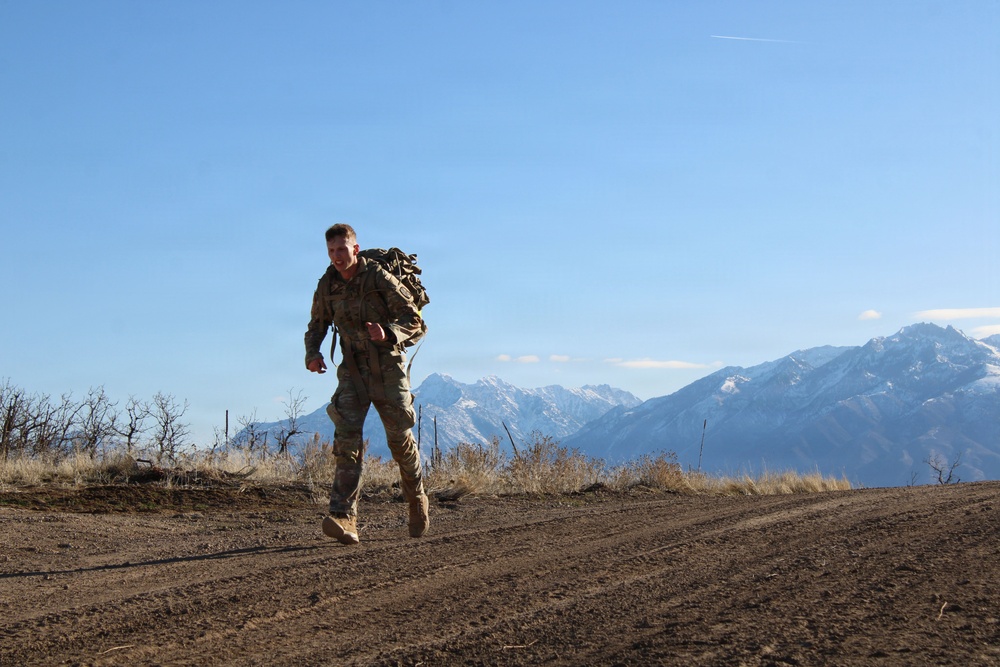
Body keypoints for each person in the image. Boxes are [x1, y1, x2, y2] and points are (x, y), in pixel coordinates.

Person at [304, 223, 429, 545]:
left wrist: (388, 332)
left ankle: (416, 499)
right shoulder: (327, 284)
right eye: (331, 251)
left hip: (387, 366)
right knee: (346, 441)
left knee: (399, 440)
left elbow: (413, 319)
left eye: (342, 250)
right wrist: (313, 353)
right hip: (352, 369)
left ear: (355, 249)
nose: (337, 257)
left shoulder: (378, 278)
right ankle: (344, 517)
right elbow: (317, 324)